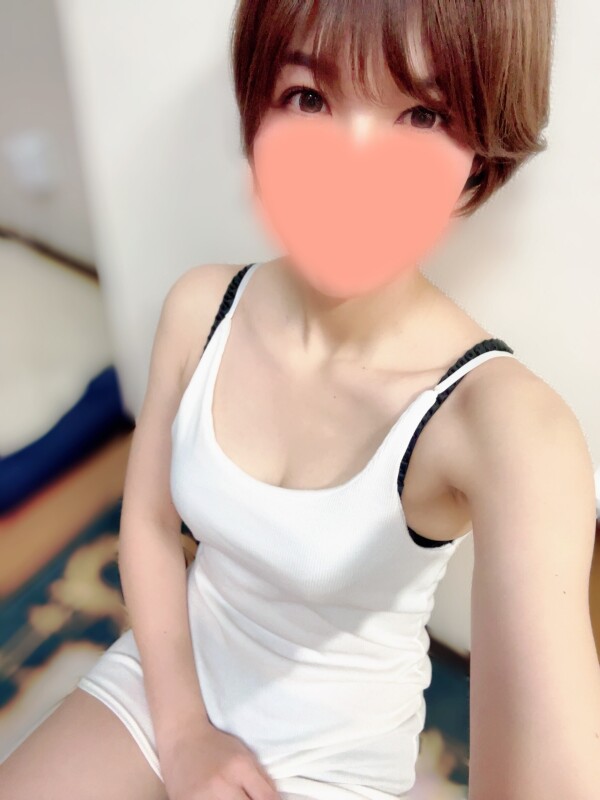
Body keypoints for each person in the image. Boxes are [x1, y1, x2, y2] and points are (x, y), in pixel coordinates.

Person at [3, 2, 599, 800]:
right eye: (309, 98)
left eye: (422, 115)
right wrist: (183, 732)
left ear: (479, 156)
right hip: (172, 678)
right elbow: (147, 525)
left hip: (336, 760)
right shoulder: (200, 308)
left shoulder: (506, 423)